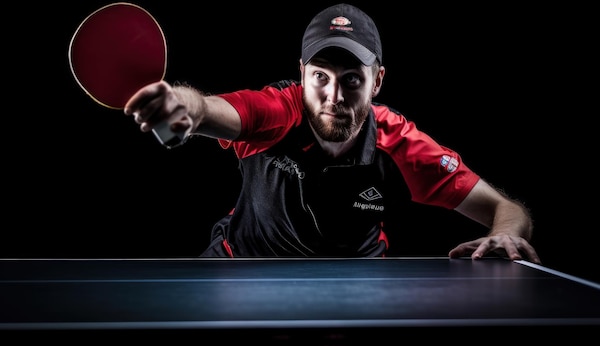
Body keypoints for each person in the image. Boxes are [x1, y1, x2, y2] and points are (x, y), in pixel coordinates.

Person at [124, 3, 541, 263]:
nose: (334, 95)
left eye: (352, 80)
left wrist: (504, 232)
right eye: (320, 76)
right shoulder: (276, 111)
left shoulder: (398, 143)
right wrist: (184, 105)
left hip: (355, 280)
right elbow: (210, 108)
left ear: (377, 81)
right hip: (242, 265)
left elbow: (507, 209)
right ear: (301, 74)